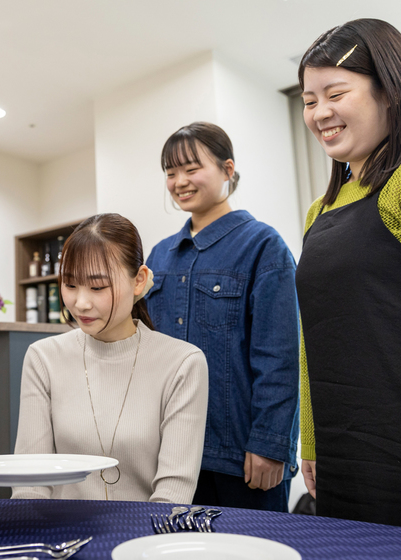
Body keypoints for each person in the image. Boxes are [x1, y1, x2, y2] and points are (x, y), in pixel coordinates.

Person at [295, 18, 401, 530]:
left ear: (391, 91)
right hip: (341, 455)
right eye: (309, 100)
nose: (320, 113)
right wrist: (311, 442)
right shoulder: (319, 211)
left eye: (336, 94)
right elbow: (314, 336)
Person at [145, 122, 300, 512]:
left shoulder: (263, 245)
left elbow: (280, 356)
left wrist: (270, 444)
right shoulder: (159, 256)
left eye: (191, 168)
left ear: (227, 169)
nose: (179, 181)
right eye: (170, 172)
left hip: (240, 455)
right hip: (168, 452)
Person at [12, 213, 209, 502]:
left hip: (148, 528)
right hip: (57, 528)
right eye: (70, 285)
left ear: (139, 281)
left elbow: (173, 493)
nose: (81, 303)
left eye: (97, 287)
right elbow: (30, 482)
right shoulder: (43, 358)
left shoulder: (182, 363)